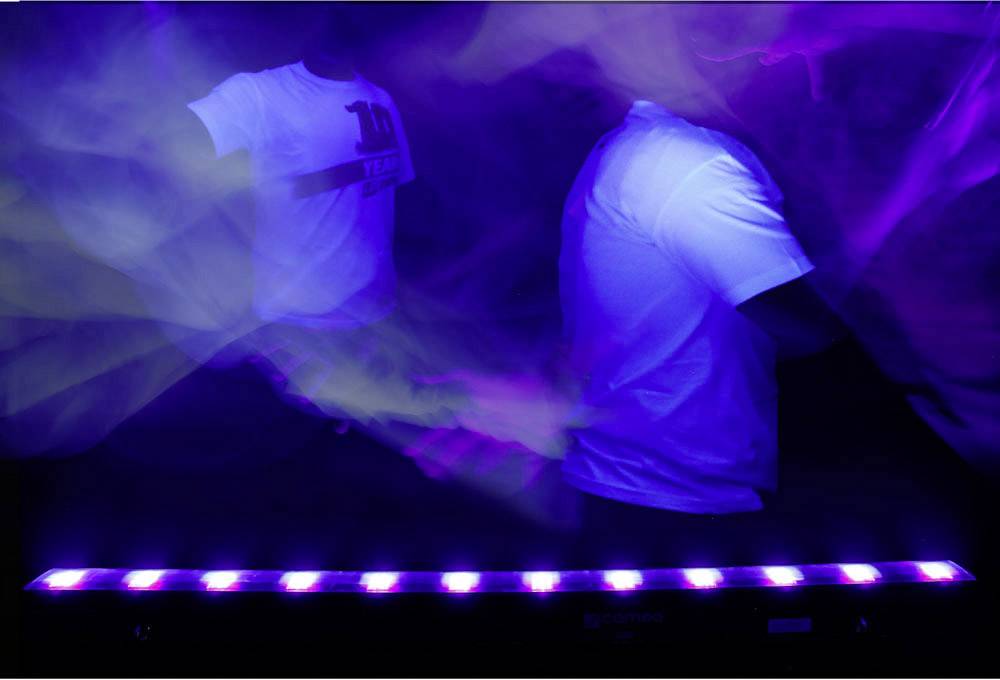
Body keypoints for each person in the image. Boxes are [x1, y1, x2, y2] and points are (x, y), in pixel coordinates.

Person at [558, 99, 844, 515]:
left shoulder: (644, 147)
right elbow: (806, 328)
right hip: (675, 489)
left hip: (650, 479)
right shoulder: (681, 161)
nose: (776, 57)